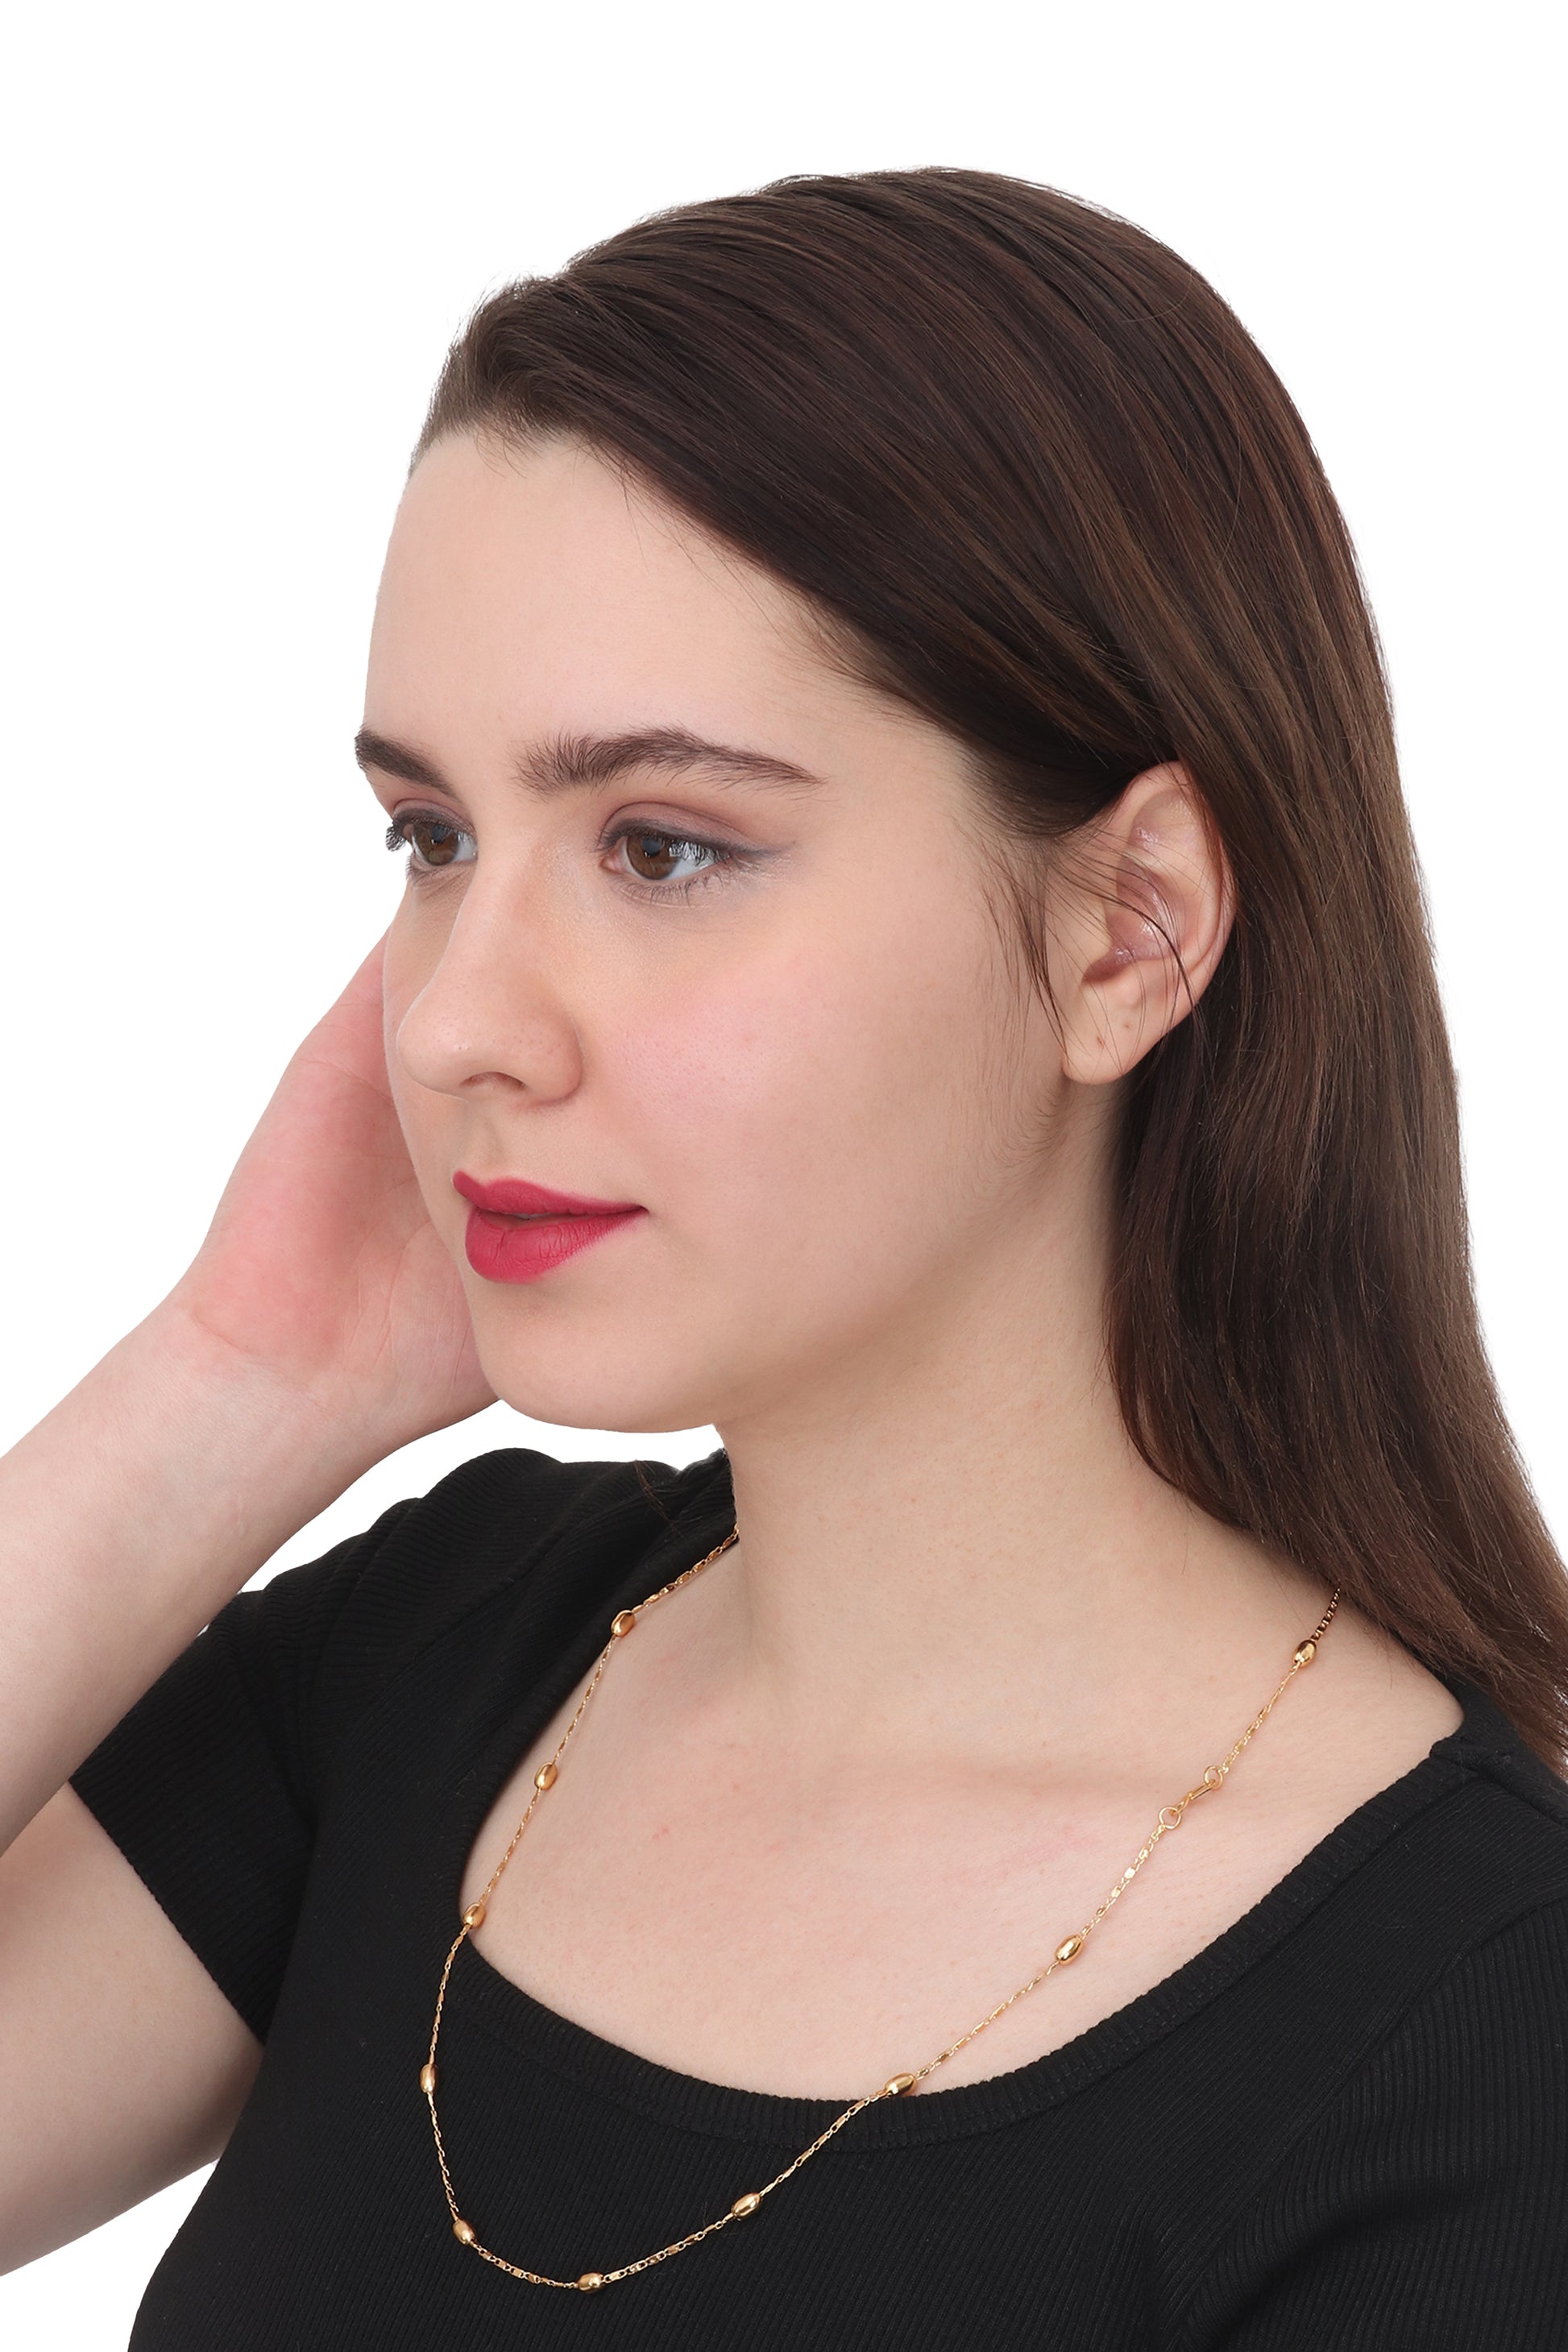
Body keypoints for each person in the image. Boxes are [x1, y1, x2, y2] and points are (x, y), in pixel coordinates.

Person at [2, 166, 1565, 2350]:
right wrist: (240, 1376)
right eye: (432, 837)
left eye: (663, 847)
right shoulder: (444, 1658)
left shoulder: (1478, 2042)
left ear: (1128, 931)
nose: (451, 1022)